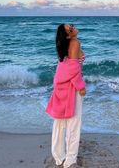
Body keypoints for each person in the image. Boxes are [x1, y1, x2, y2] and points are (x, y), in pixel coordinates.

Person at [45, 23, 86, 168]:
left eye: (72, 25)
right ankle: (70, 160)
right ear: (69, 35)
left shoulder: (64, 46)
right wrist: (80, 86)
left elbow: (64, 67)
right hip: (71, 87)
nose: (74, 28)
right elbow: (73, 68)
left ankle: (58, 156)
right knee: (74, 124)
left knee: (60, 124)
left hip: (61, 86)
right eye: (71, 28)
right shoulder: (74, 43)